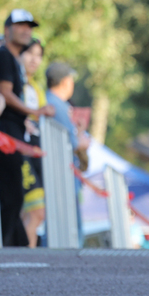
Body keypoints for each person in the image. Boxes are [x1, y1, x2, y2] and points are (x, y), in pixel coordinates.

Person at [0, 9, 55, 247]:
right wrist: (35, 112)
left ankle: (11, 245)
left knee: (15, 195)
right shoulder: (4, 56)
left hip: (14, 133)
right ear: (7, 29)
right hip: (6, 133)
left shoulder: (14, 60)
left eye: (30, 26)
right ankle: (5, 246)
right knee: (10, 194)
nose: (27, 30)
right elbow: (4, 93)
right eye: (21, 25)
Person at [45, 61, 90, 243]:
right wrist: (81, 141)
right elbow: (68, 143)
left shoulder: (50, 101)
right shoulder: (58, 105)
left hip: (61, 171)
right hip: (63, 172)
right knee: (70, 225)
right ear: (65, 82)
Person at [19, 38, 46, 247]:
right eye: (30, 53)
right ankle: (26, 258)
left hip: (34, 153)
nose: (34, 60)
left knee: (33, 213)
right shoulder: (13, 82)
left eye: (39, 56)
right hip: (20, 153)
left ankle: (26, 255)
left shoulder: (35, 87)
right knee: (35, 211)